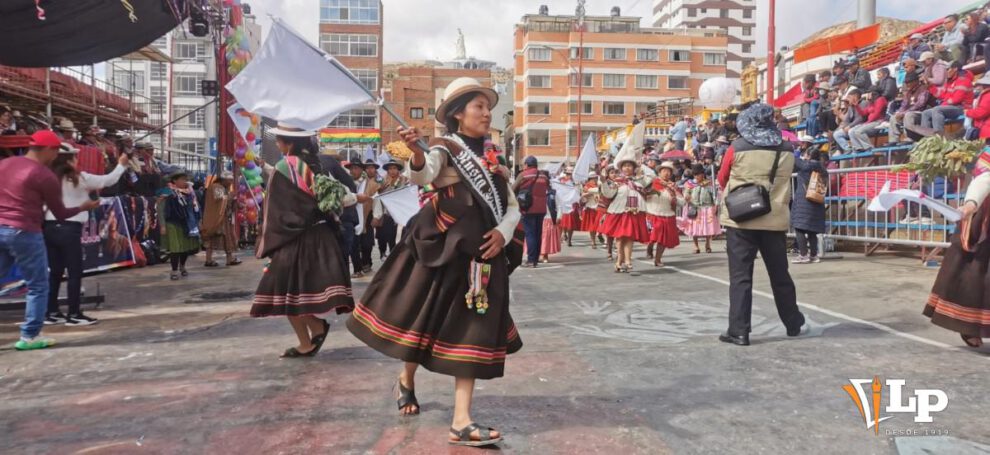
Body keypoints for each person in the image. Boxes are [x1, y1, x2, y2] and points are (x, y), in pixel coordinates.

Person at [346, 77, 522, 447]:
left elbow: (512, 206)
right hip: (445, 251)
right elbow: (424, 173)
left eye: (488, 108)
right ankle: (407, 379)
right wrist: (416, 153)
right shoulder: (444, 147)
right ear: (457, 114)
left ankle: (461, 420)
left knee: (473, 327)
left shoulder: (495, 157)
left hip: (481, 256)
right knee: (425, 321)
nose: (487, 114)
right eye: (479, 107)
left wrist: (503, 233)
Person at [251, 123, 357, 358]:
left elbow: (276, 208)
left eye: (279, 140)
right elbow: (339, 197)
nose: (278, 144)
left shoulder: (283, 167)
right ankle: (313, 331)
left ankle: (308, 339)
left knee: (284, 292)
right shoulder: (318, 165)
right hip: (321, 236)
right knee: (296, 293)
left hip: (295, 238)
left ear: (289, 143)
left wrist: (268, 238)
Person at [0, 131, 100, 350]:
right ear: (49, 150)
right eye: (56, 152)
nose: (56, 157)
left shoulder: (6, 164)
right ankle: (29, 336)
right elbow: (60, 213)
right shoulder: (44, 175)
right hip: (24, 231)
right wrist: (82, 207)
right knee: (38, 286)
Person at [716, 104, 806, 346]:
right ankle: (793, 322)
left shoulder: (737, 147)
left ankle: (739, 331)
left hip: (740, 220)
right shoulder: (787, 149)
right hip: (774, 219)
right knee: (780, 274)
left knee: (741, 277)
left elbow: (722, 178)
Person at [44, 143, 128, 326]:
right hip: (69, 228)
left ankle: (51, 312)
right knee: (75, 272)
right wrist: (121, 164)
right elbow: (108, 180)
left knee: (55, 272)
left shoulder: (46, 178)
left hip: (48, 228)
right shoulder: (78, 178)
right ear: (69, 160)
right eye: (75, 157)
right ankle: (73, 314)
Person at [601, 146, 651, 273]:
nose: (627, 168)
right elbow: (608, 194)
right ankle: (619, 261)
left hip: (633, 211)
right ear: (621, 168)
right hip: (619, 212)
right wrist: (603, 183)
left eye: (630, 166)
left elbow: (652, 176)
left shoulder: (640, 181)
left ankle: (627, 260)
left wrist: (642, 166)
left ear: (634, 168)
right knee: (619, 238)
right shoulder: (616, 182)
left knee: (629, 237)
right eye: (625, 166)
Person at [159, 171, 201, 280]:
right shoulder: (168, 192)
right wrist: (162, 225)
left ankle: (182, 266)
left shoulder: (190, 193)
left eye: (185, 179)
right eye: (182, 179)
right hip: (172, 222)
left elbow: (195, 208)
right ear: (175, 181)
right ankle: (174, 270)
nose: (184, 181)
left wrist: (197, 221)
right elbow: (160, 208)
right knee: (175, 248)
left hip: (187, 223)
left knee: (186, 247)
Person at [791, 149, 828, 264]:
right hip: (817, 201)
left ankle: (803, 255)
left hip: (804, 201)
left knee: (799, 227)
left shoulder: (805, 165)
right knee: (812, 230)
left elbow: (793, 159)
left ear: (808, 155)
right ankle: (813, 255)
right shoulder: (823, 169)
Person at [919, 61, 973, 137]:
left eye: (948, 69)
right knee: (925, 113)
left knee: (937, 109)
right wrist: (929, 86)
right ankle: (927, 139)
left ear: (955, 69)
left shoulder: (964, 81)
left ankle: (939, 138)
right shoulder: (950, 81)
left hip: (962, 108)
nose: (946, 72)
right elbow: (942, 95)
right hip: (951, 107)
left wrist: (943, 104)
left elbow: (956, 99)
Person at [645, 161, 683, 267]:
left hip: (668, 215)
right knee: (653, 236)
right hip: (654, 213)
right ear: (659, 172)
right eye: (664, 171)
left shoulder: (672, 186)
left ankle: (658, 259)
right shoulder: (652, 183)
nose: (666, 173)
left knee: (663, 240)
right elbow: (644, 194)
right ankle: (650, 246)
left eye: (669, 171)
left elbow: (681, 201)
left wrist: (677, 196)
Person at [513, 155, 549, 267]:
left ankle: (531, 260)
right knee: (538, 234)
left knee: (530, 234)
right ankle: (535, 259)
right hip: (542, 209)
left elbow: (513, 188)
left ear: (527, 165)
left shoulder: (523, 175)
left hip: (527, 208)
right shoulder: (544, 176)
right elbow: (548, 188)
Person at [200, 171, 241, 268]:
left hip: (217, 216)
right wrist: (231, 196)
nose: (231, 182)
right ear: (224, 180)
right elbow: (220, 199)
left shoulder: (220, 187)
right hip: (218, 217)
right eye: (229, 180)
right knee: (223, 237)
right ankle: (223, 259)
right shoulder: (217, 187)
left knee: (216, 237)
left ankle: (212, 259)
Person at [372, 159, 406, 260]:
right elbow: (376, 192)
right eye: (390, 169)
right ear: (387, 170)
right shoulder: (381, 179)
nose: (392, 171)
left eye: (394, 168)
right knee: (381, 235)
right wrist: (380, 188)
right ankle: (382, 252)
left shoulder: (404, 179)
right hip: (382, 211)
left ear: (398, 169)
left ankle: (392, 254)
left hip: (394, 212)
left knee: (392, 235)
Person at [684, 163, 720, 254]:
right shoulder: (690, 183)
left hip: (707, 207)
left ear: (702, 174)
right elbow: (686, 193)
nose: (696, 176)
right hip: (695, 207)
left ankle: (708, 245)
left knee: (708, 228)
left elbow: (715, 196)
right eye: (695, 174)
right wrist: (686, 196)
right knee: (694, 228)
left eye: (698, 174)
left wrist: (716, 205)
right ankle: (696, 246)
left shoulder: (709, 183)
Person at [889, 71, 933, 145]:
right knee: (893, 117)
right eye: (906, 82)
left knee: (908, 115)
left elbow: (920, 104)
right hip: (910, 113)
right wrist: (899, 113)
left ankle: (910, 137)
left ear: (916, 81)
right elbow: (904, 105)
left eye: (909, 82)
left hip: (922, 113)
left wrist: (904, 113)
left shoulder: (923, 89)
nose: (907, 84)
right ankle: (893, 140)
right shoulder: (908, 92)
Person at [848, 87, 889, 152]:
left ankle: (869, 147)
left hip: (878, 121)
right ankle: (858, 148)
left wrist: (867, 123)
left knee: (859, 131)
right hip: (870, 122)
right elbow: (864, 113)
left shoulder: (881, 99)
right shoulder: (871, 102)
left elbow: (877, 114)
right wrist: (856, 106)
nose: (868, 95)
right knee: (851, 131)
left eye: (869, 93)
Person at [359, 159, 381, 272]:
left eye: (372, 167)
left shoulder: (377, 182)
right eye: (367, 168)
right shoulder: (361, 181)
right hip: (358, 214)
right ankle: (361, 263)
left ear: (375, 169)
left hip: (369, 215)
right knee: (359, 242)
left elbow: (377, 200)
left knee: (367, 242)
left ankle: (367, 262)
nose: (370, 170)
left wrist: (377, 216)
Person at [556, 166, 581, 247]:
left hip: (573, 204)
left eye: (571, 174)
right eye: (568, 174)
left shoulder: (575, 182)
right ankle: (564, 233)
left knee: (571, 223)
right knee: (563, 221)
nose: (569, 175)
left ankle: (569, 239)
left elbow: (578, 192)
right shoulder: (561, 180)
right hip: (563, 204)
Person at [580, 178, 602, 249]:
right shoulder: (586, 187)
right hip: (590, 208)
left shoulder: (600, 185)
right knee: (592, 227)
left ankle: (600, 234)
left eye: (595, 178)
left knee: (601, 225)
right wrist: (587, 195)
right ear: (589, 180)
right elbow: (583, 200)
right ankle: (593, 241)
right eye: (592, 179)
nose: (594, 180)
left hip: (599, 208)